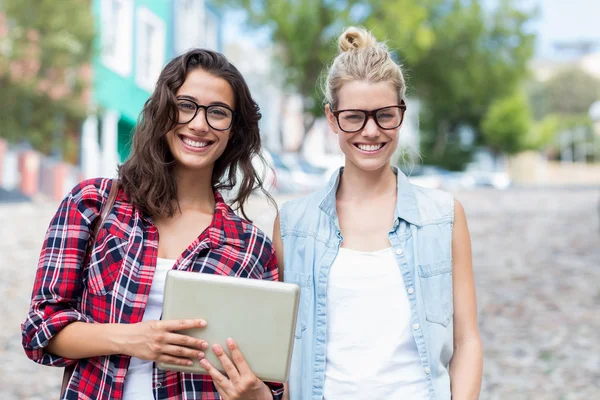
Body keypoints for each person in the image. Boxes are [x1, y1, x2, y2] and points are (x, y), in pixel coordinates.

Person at [22, 48, 283, 400]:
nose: (199, 124)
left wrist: (260, 396)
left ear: (234, 130)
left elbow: (270, 379)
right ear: (163, 111)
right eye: (186, 105)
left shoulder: (252, 248)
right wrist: (134, 339)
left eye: (218, 113)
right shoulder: (93, 204)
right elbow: (40, 330)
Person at [273, 27, 483, 400]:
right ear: (332, 118)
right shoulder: (292, 224)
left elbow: (466, 341)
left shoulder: (445, 216)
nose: (370, 131)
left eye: (385, 115)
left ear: (401, 114)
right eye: (354, 117)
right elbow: (282, 351)